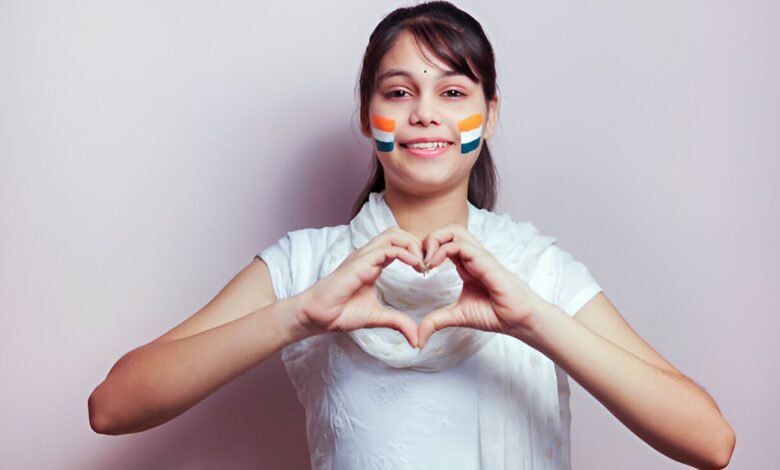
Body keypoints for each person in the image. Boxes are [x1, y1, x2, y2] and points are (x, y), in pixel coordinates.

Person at [88, 2, 735, 469]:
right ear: (369, 117)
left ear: (491, 113)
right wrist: (298, 317)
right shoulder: (307, 264)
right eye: (398, 91)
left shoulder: (536, 270)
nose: (425, 111)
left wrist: (533, 321)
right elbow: (112, 407)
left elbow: (711, 443)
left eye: (453, 90)